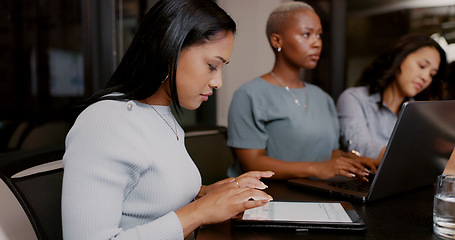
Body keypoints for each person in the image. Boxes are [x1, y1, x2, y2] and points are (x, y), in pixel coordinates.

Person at [61, 0, 274, 239]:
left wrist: (210, 194)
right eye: (212, 66)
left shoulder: (161, 114)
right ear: (168, 49)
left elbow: (146, 199)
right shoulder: (104, 123)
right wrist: (200, 211)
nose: (218, 82)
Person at [227, 2, 377, 181]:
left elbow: (329, 153)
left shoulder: (323, 98)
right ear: (277, 40)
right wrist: (315, 169)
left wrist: (351, 161)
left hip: (319, 192)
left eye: (319, 35)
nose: (316, 43)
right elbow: (251, 163)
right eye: (306, 34)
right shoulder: (249, 95)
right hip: (272, 196)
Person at [337, 33, 447, 161]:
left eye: (432, 74)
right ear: (400, 58)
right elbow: (360, 146)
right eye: (422, 66)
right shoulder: (354, 98)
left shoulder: (419, 113)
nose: (426, 77)